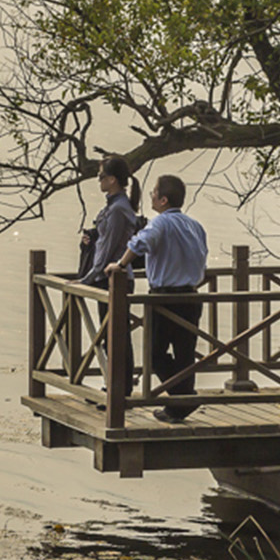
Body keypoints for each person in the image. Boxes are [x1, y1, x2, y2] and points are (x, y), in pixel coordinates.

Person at [107, 173, 208, 422]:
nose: (150, 195)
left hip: (164, 298)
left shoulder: (160, 223)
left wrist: (120, 264)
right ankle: (179, 405)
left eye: (153, 192)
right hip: (191, 296)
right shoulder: (195, 225)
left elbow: (140, 243)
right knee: (185, 354)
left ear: (163, 200)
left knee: (155, 353)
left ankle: (183, 397)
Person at [79, 156, 142, 393]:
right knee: (111, 335)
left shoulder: (118, 210)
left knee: (117, 336)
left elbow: (109, 254)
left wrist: (86, 279)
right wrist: (92, 238)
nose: (99, 181)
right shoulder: (113, 207)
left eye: (102, 177)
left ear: (113, 180)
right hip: (108, 278)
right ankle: (115, 385)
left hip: (114, 279)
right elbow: (105, 243)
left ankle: (120, 388)